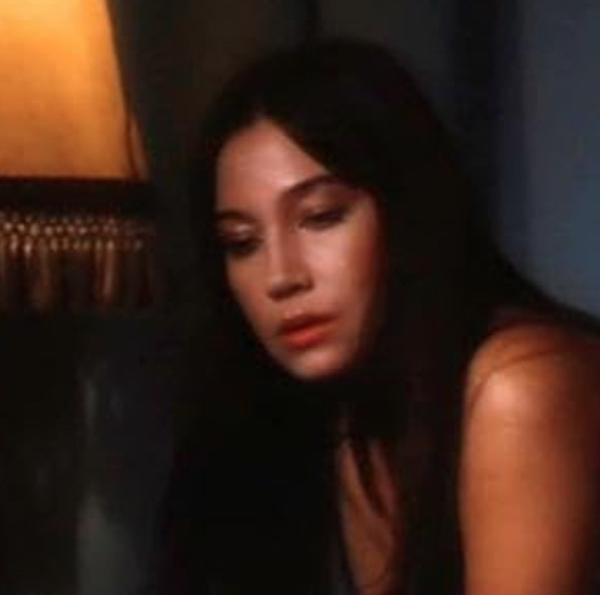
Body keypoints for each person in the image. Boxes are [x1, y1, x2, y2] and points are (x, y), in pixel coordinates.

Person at [159, 38, 600, 595]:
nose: (282, 276)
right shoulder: (327, 416)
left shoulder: (520, 384)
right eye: (242, 243)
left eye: (321, 217)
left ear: (405, 210)